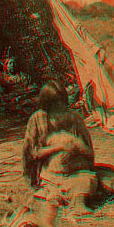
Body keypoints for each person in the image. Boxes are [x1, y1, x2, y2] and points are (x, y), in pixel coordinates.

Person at [22, 80, 97, 215]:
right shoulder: (37, 120)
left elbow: (89, 152)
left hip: (76, 171)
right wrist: (59, 147)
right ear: (47, 104)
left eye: (61, 102)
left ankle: (79, 203)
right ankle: (54, 199)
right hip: (50, 172)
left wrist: (77, 147)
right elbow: (33, 153)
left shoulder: (75, 119)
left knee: (84, 182)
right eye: (55, 103)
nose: (59, 106)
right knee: (51, 189)